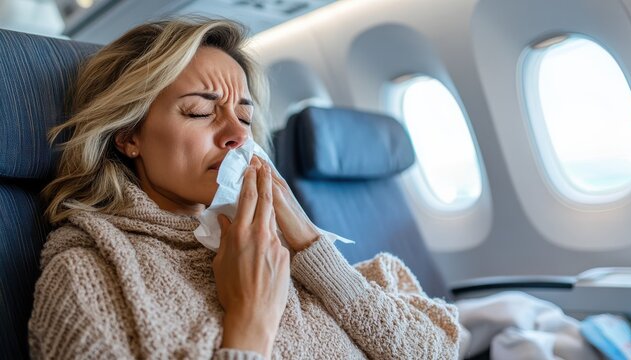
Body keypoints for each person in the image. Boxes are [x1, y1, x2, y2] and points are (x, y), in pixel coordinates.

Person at [29, 18, 461, 359]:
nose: (237, 134)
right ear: (128, 136)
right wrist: (250, 322)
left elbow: (436, 351)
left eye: (245, 115)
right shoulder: (88, 276)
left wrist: (312, 246)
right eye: (199, 112)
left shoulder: (282, 245)